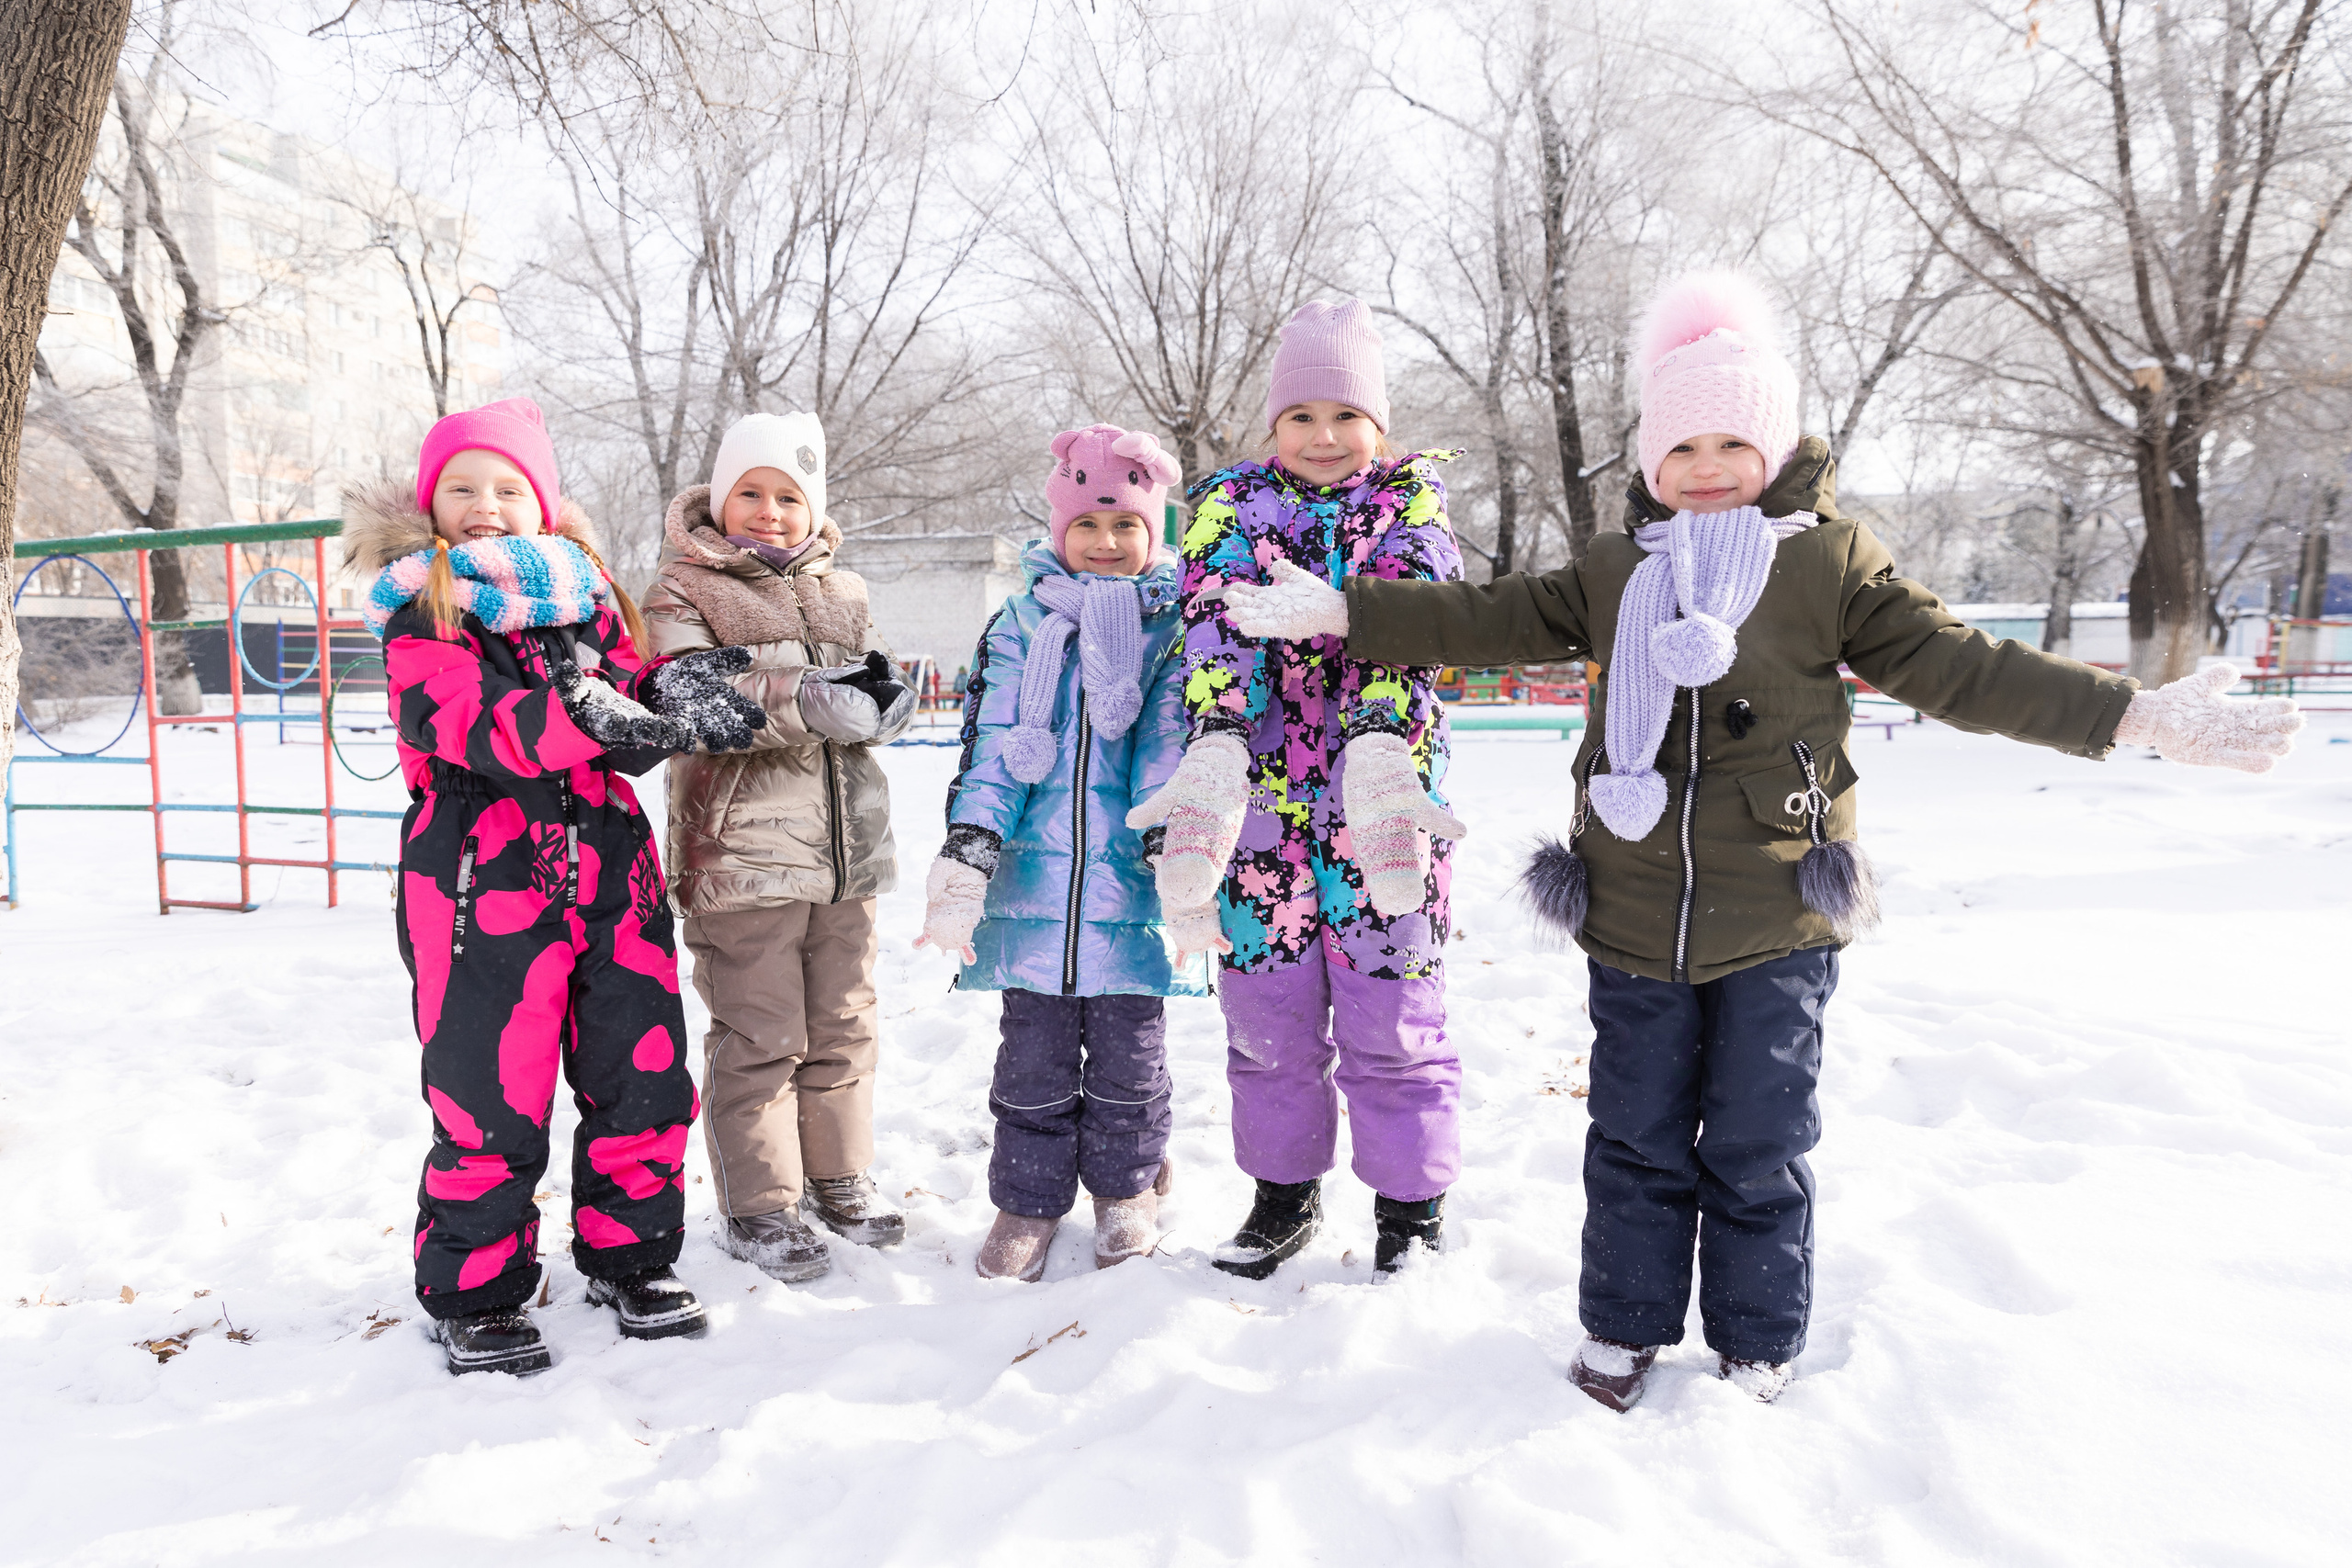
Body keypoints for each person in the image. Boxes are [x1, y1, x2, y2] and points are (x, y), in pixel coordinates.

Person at [1221, 272, 2305, 1406]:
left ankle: (1755, 1340)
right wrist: (1351, 612)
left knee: (1757, 1141)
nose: (1704, 465)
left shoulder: (1829, 564)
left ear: (1775, 443)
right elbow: (1486, 618)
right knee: (1633, 1137)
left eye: (1731, 439)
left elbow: (1964, 669)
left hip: (1779, 912)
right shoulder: (1613, 568)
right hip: (1632, 908)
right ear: (1648, 456)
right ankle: (1624, 1328)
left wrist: (2135, 714)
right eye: (1679, 443)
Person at [345, 398, 766, 1375]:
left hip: (610, 880)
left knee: (643, 1073)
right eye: (463, 487)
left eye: (507, 488)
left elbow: (622, 719)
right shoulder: (422, 615)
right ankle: (477, 1289)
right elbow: (481, 728)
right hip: (474, 886)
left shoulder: (585, 599)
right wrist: (589, 711)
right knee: (490, 1095)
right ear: (430, 503)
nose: (484, 505)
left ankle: (633, 1257)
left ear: (540, 506)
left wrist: (667, 703)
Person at [1128, 300, 1470, 1280]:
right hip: (1259, 810)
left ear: (1379, 424)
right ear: (1272, 425)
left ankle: (1412, 1208)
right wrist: (1223, 732)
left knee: (1394, 1015)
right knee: (1267, 1018)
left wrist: (1373, 728)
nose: (1324, 438)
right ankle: (1282, 1196)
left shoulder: (1409, 499)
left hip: (1383, 806)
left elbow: (1413, 606)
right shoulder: (1230, 505)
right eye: (1301, 417)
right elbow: (1212, 621)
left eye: (1345, 416)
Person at [917, 424, 1204, 1281]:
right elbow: (997, 746)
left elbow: (1168, 745)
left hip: (1131, 893)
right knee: (1032, 1058)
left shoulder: (1171, 628)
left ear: (1154, 533)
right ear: (1059, 531)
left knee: (1132, 1059)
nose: (1107, 542)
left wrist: (1177, 856)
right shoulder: (1019, 625)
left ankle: (1125, 1192)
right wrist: (968, 853)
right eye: (1089, 525)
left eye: (1127, 526)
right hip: (1031, 886)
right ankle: (1028, 1201)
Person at [641, 412, 916, 1283]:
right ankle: (761, 1205)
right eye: (749, 494)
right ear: (719, 500)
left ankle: (838, 1176)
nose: (770, 512)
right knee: (761, 1031)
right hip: (743, 857)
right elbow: (694, 696)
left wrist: (886, 696)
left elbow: (862, 684)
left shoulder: (845, 590)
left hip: (845, 854)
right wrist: (813, 695)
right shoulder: (684, 589)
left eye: (789, 497)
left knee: (844, 1023)